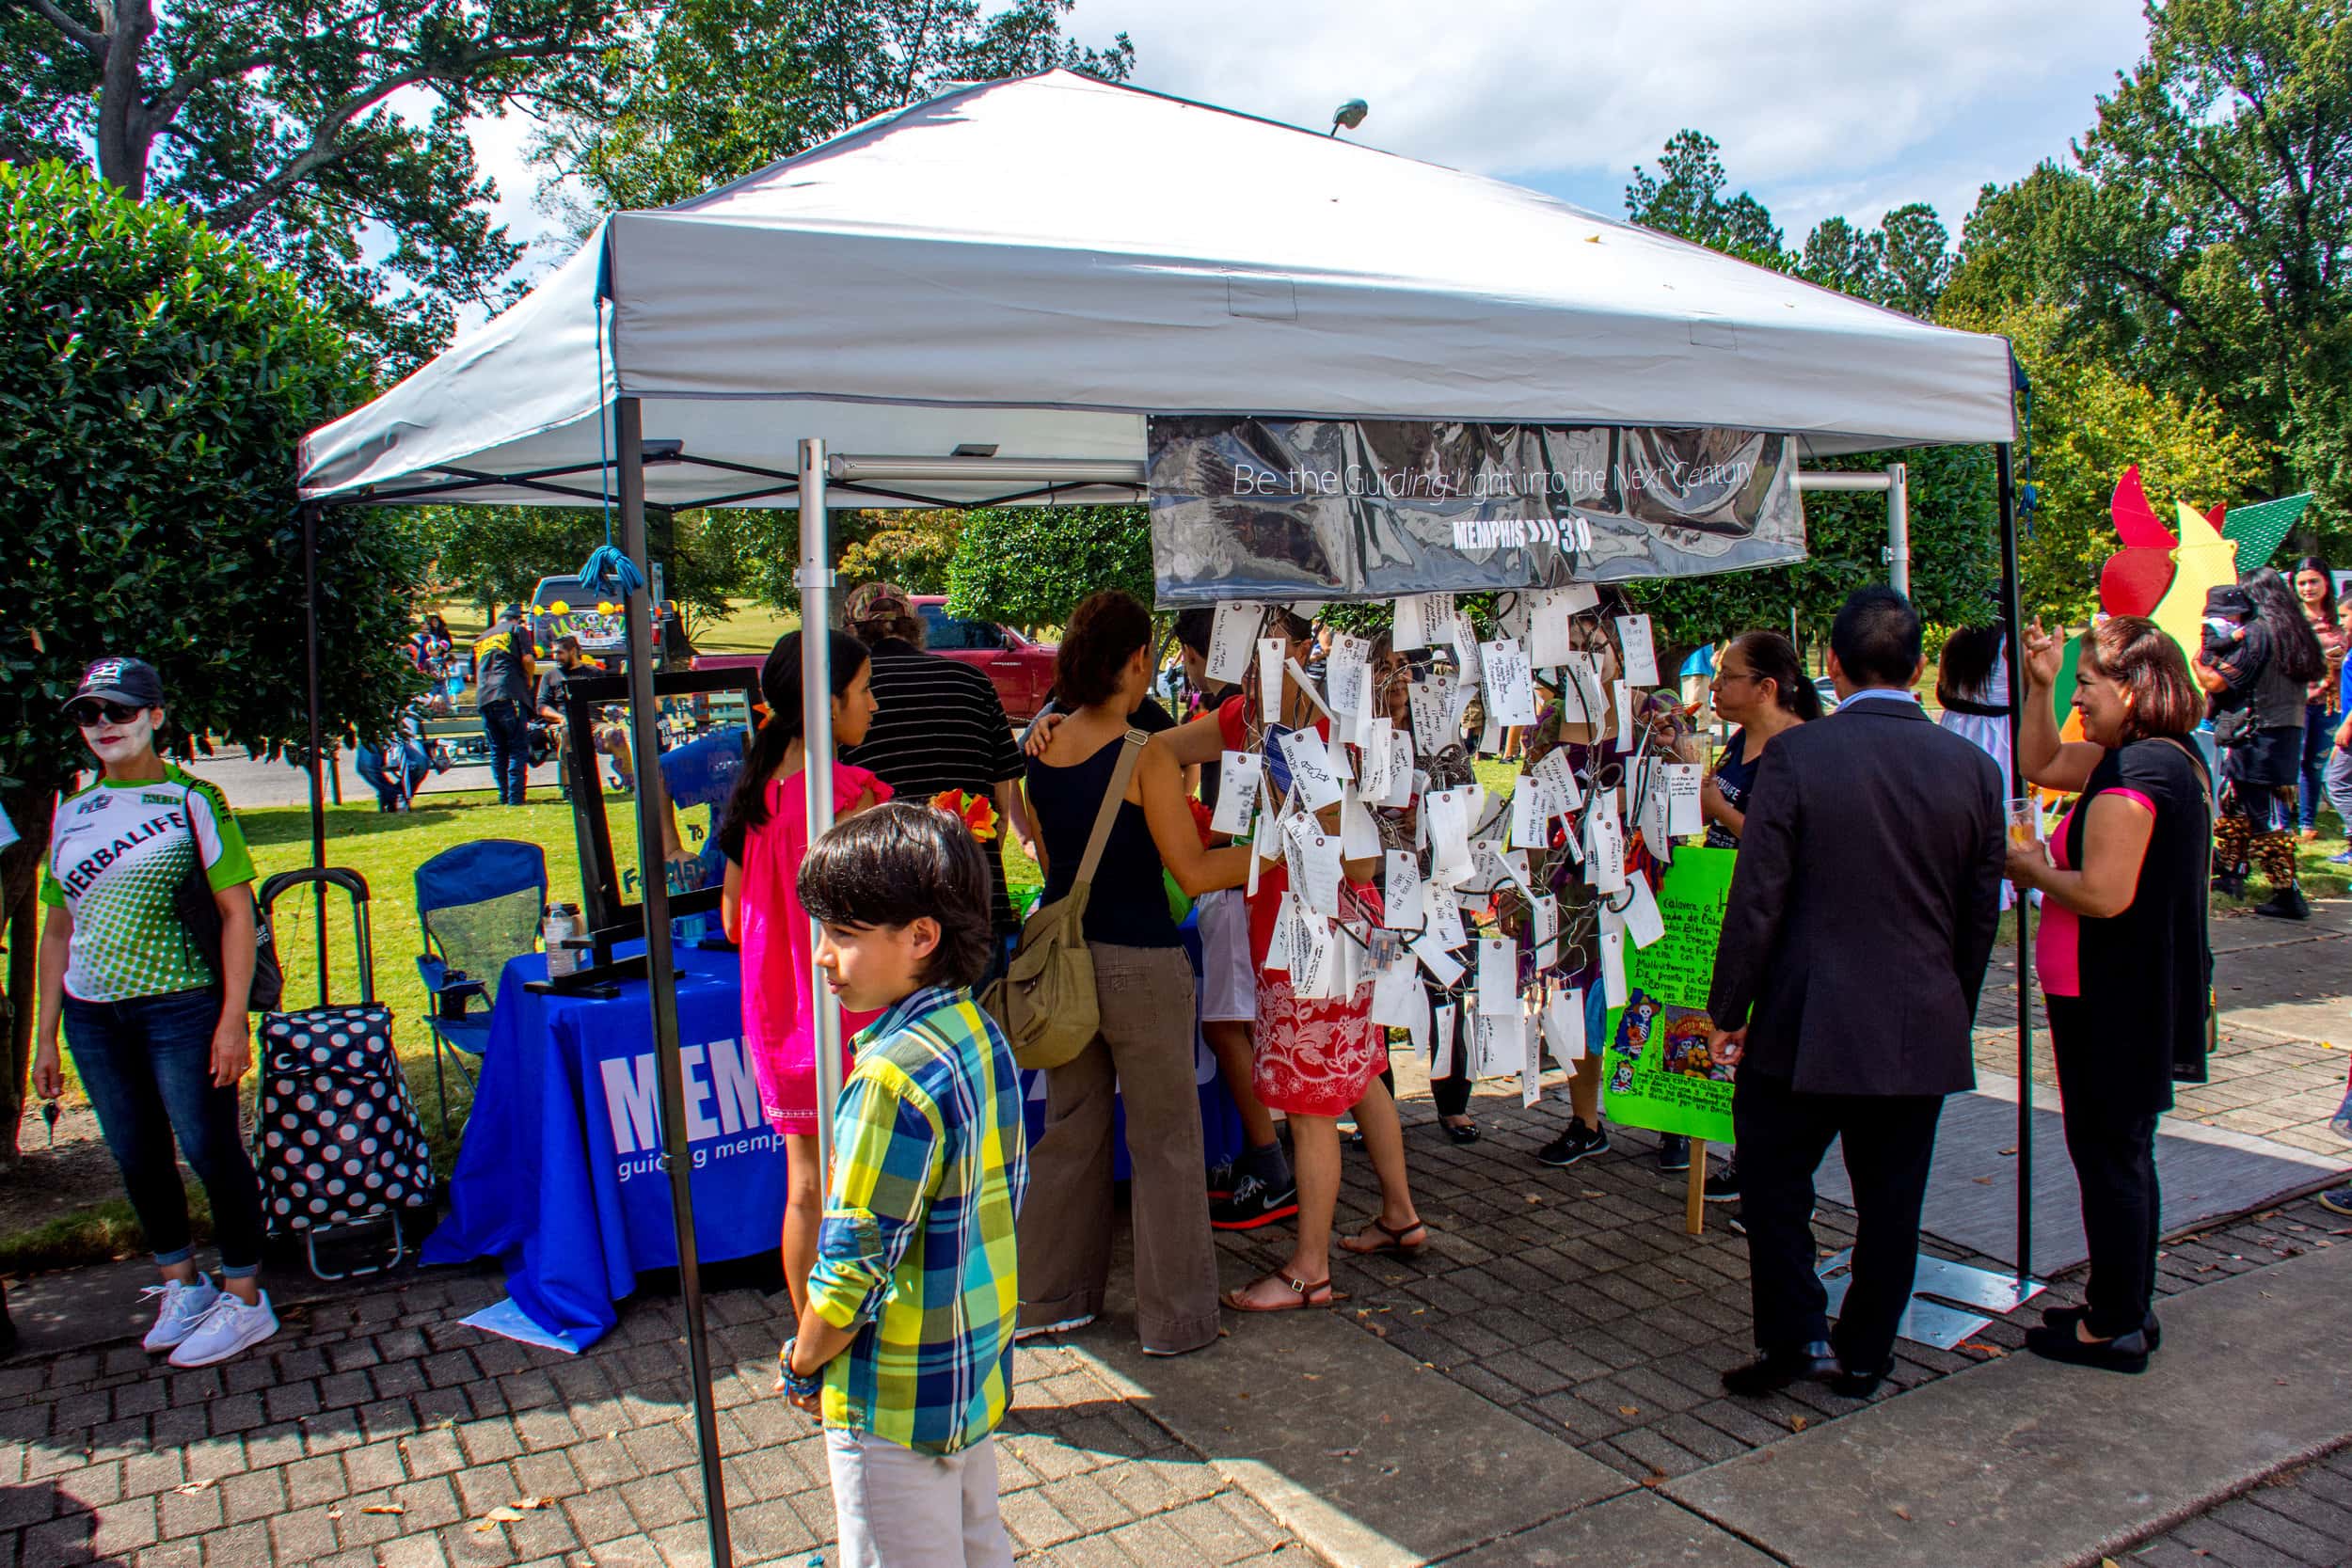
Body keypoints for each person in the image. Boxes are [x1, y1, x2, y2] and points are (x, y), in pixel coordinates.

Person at [1708, 587, 2003, 1400]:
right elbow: (1981, 919)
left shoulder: (1799, 758)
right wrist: (1955, 1005)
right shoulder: (1974, 769)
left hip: (1803, 1015)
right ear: (1919, 666)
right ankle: (1867, 1349)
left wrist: (1729, 1009)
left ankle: (1795, 1334)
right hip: (1919, 1016)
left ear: (1832, 665)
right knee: (1892, 1201)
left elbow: (1758, 897)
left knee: (1773, 1186)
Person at [1158, 610, 1430, 1313]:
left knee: (1313, 1107)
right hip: (1338, 925)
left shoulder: (1328, 716)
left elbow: (1364, 851)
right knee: (1358, 1066)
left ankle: (1309, 1269)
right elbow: (1156, 749)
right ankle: (1399, 1211)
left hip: (1313, 932)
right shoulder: (1257, 714)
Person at [781, 803, 1025, 1568]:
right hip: (970, 1372)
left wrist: (803, 1359)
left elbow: (853, 1266)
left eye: (843, 936)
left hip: (890, 1400)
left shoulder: (889, 1075)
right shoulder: (977, 1031)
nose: (823, 956)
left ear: (922, 937)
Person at [1014, 592, 1253, 1354]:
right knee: (1167, 1144)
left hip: (1066, 963)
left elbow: (1052, 867)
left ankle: (1049, 1297)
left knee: (1070, 1134)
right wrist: (1278, 850)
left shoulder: (1042, 748)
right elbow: (1193, 866)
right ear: (1137, 661)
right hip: (1142, 963)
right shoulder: (1142, 752)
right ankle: (1176, 1319)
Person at [31, 657, 278, 1367]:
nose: (104, 724)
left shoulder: (194, 799)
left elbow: (237, 914)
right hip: (94, 1015)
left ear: (156, 715)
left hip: (182, 1007)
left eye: (120, 709)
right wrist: (45, 1035)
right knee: (136, 1154)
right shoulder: (71, 806)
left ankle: (245, 1294)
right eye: (89, 712)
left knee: (208, 1149)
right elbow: (55, 928)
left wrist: (232, 1018)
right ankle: (183, 1283)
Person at [2007, 615, 2211, 1373]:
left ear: (2132, 685)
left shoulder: (2140, 775)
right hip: (2106, 991)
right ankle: (2121, 1301)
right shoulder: (2138, 759)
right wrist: (2038, 683)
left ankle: (2116, 1321)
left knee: (2110, 1155)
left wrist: (2030, 870)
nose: (2079, 700)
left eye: (2086, 685)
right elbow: (2042, 757)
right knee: (2118, 1152)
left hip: (2115, 996)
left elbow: (2102, 893)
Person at [717, 630, 888, 1325]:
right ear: (827, 701)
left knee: (806, 1187)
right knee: (870, 1189)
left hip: (779, 1018)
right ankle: (860, 1337)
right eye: (866, 690)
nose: (874, 706)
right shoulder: (850, 793)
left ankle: (809, 1343)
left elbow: (732, 919)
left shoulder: (753, 798)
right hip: (847, 1010)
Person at [1168, 608, 1301, 1214]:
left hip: (1242, 888)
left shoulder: (1238, 712)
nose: (1189, 672)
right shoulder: (1260, 705)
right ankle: (1281, 1150)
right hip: (1273, 886)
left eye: (1191, 659)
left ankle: (1269, 1162)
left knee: (1227, 1025)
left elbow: (1229, 819)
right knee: (1261, 1022)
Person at [836, 581, 1035, 972]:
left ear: (852, 631)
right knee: (978, 1026)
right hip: (974, 895)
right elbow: (998, 810)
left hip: (888, 908)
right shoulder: (972, 681)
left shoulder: (847, 699)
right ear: (915, 627)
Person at [1692, 629, 1820, 1207]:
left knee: (1766, 1041)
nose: (1716, 687)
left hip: (1774, 913)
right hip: (1723, 901)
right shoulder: (1739, 740)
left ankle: (1766, 1175)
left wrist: (1720, 810)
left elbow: (1796, 849)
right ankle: (1743, 1160)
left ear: (1766, 687)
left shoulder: (1800, 750)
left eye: (1727, 677)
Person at [2199, 570, 2325, 920]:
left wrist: (2202, 659)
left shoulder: (2258, 632)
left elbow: (2223, 680)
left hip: (2257, 731)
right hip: (2286, 731)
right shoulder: (2294, 629)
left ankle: (2287, 893)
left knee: (2258, 814)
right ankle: (2232, 874)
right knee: (2235, 802)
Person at [2291, 557, 2346, 840]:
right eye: (2302, 583)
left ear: (2326, 583)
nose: (2308, 588)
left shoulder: (2342, 620)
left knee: (2314, 764)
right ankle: (2284, 823)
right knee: (2291, 762)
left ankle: (2307, 822)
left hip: (2330, 705)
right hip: (2295, 703)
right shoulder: (2292, 621)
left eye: (2313, 581)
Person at [472, 602, 536, 804]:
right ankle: (516, 798)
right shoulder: (517, 630)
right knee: (517, 746)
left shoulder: (481, 638)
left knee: (497, 749)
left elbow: (474, 671)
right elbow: (527, 659)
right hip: (509, 692)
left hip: (484, 697)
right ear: (517, 618)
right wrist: (529, 679)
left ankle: (503, 795)